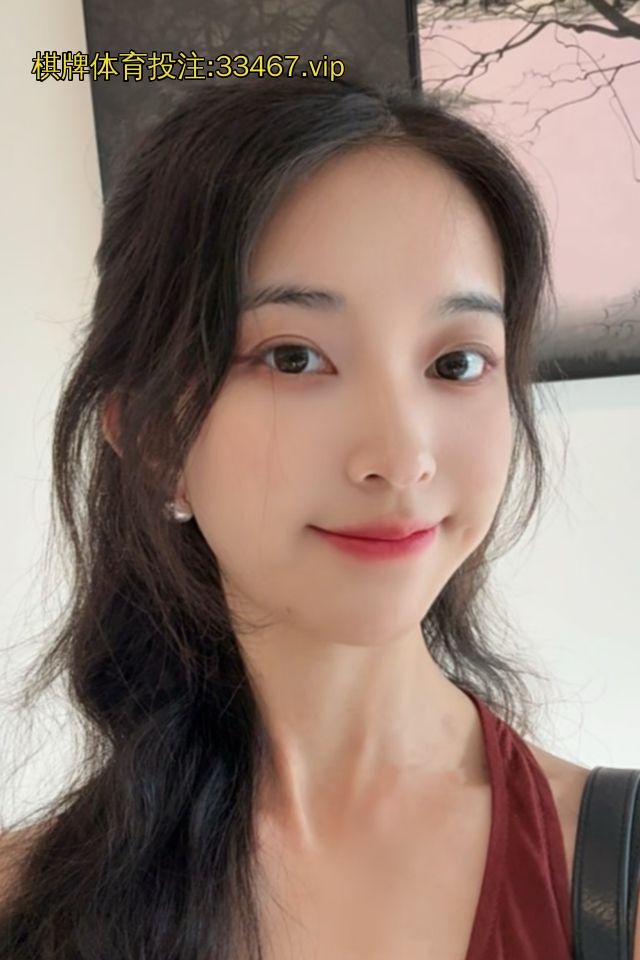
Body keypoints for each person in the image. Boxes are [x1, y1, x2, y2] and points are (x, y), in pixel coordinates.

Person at [0, 70, 625, 960]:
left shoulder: (612, 880)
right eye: (293, 357)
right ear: (153, 435)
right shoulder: (29, 905)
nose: (400, 456)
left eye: (455, 364)